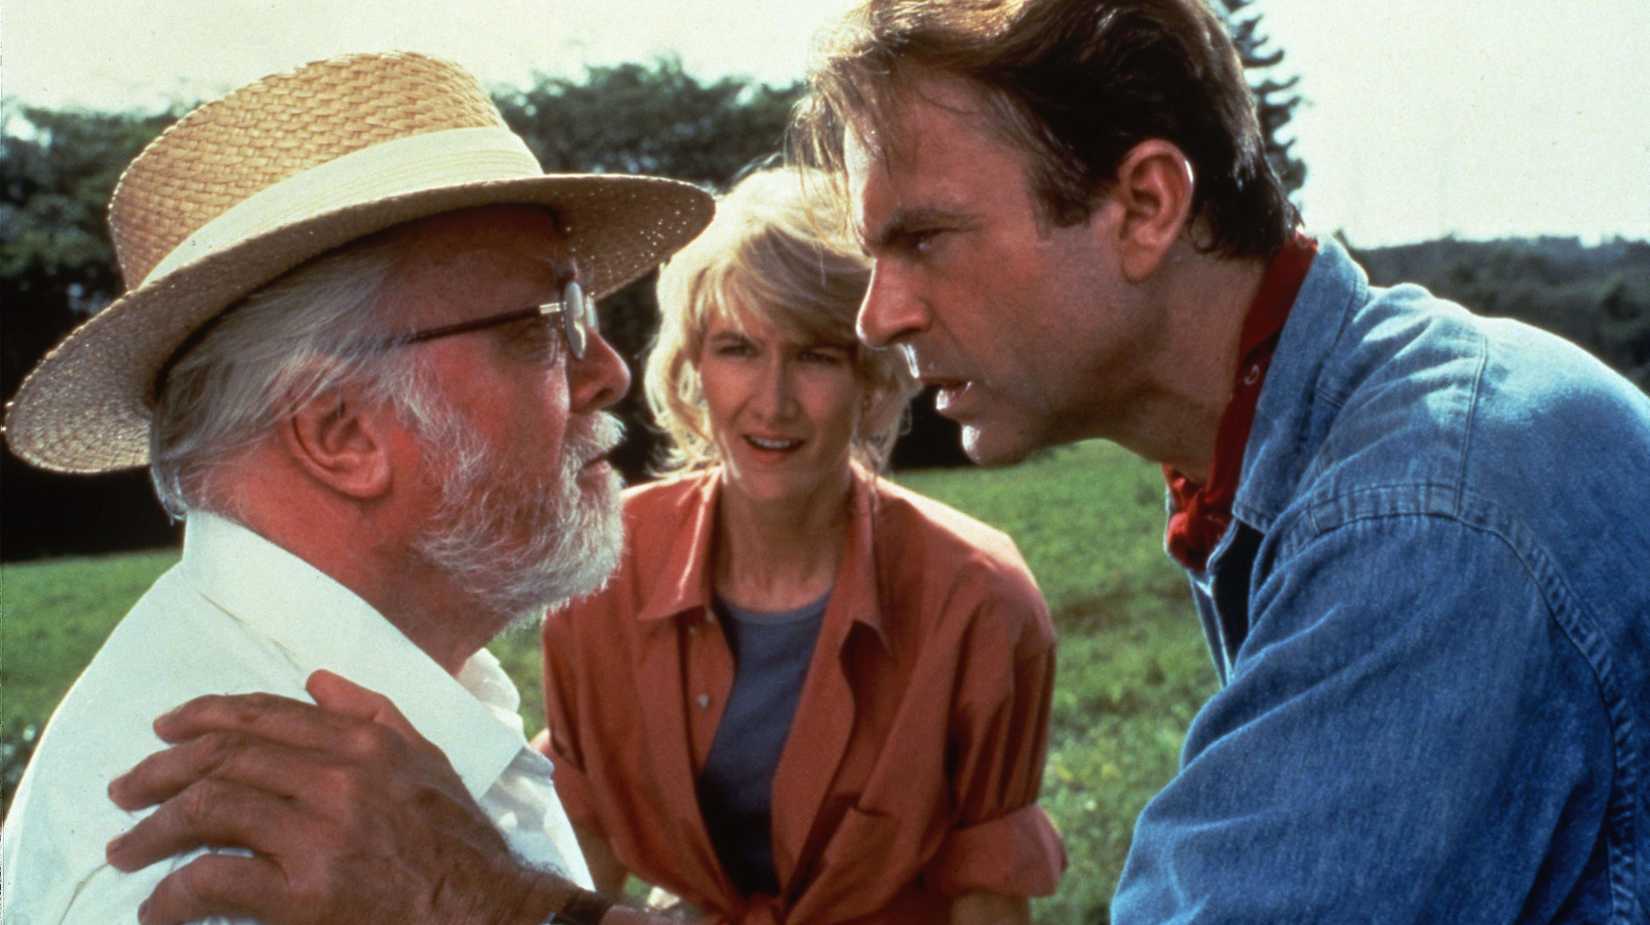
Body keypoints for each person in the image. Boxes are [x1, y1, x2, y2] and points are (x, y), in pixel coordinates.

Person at [786, 0, 1650, 921]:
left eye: (922, 239)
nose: (877, 318)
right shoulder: (1346, 431)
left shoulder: (1421, 519)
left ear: (1147, 206)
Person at [0, 51, 712, 924]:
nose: (605, 369)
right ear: (338, 432)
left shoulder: (330, 747)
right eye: (543, 326)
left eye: (583, 315)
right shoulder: (213, 859)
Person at [534, 167, 1066, 924]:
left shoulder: (980, 599)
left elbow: (985, 896)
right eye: (738, 349)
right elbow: (581, 853)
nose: (773, 400)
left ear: (872, 379)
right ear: (692, 368)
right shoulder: (602, 569)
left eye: (816, 354)